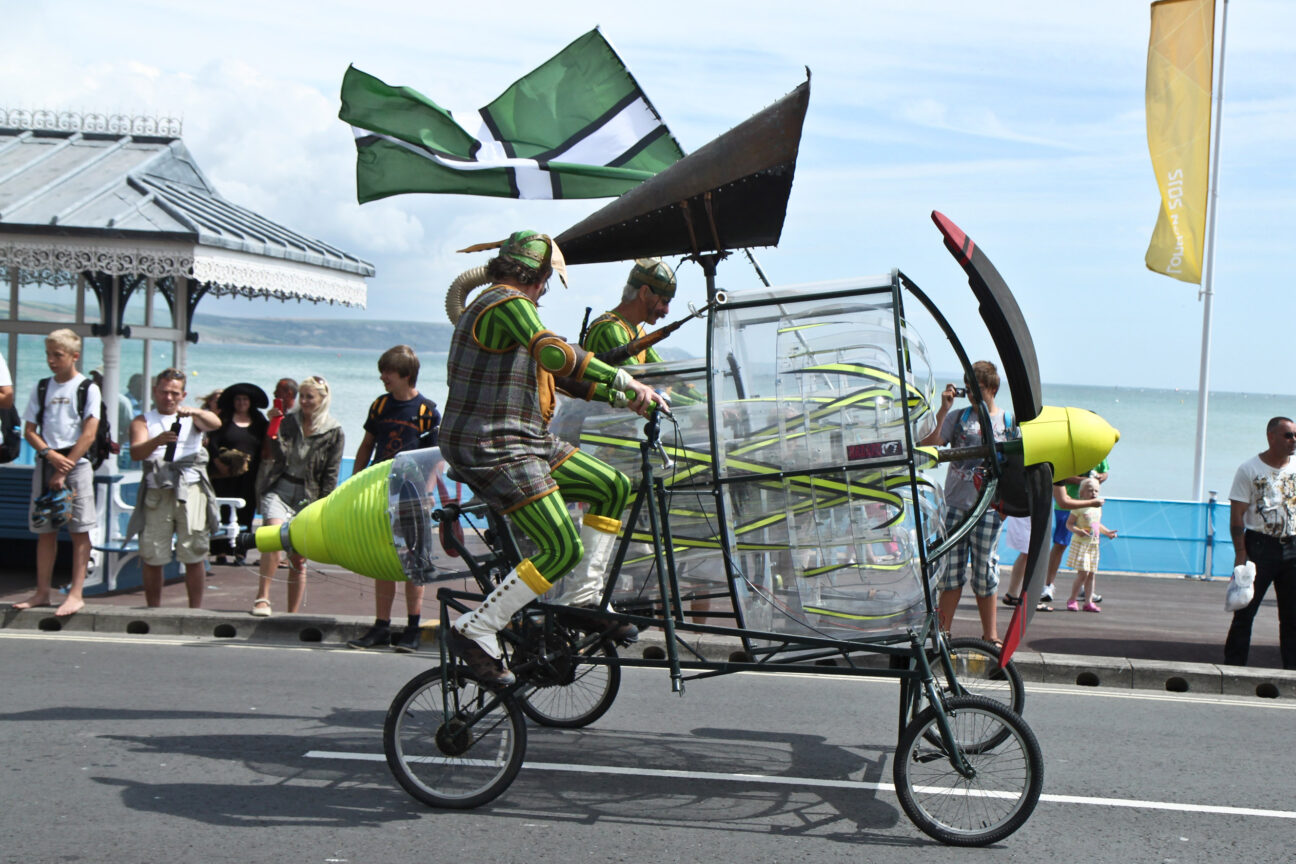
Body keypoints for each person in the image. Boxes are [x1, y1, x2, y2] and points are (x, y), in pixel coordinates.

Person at [439, 230, 667, 684]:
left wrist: (627, 399)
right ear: (540, 277)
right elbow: (553, 352)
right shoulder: (505, 303)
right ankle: (476, 628)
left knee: (613, 486)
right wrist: (627, 381)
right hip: (493, 443)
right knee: (562, 545)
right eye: (546, 282)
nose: (544, 293)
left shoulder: (505, 309)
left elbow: (563, 376)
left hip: (525, 438)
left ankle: (584, 600)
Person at [347, 345, 441, 653]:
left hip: (412, 494)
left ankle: (412, 628)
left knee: (413, 561)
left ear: (405, 374)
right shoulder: (380, 406)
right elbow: (366, 446)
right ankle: (381, 626)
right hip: (378, 491)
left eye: (388, 371)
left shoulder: (427, 411)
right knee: (381, 558)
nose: (382, 376)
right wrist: (352, 484)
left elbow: (436, 459)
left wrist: (427, 492)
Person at [921, 361, 1016, 645]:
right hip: (955, 505)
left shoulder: (1008, 423)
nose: (974, 394)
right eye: (970, 389)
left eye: (980, 389)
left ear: (993, 389)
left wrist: (1009, 505)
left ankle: (991, 636)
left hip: (989, 507)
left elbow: (1014, 467)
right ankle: (942, 634)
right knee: (950, 571)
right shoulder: (960, 417)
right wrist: (944, 408)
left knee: (985, 571)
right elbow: (930, 444)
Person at [13, 329, 100, 616]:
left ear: (74, 356)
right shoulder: (42, 387)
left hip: (77, 463)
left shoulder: (87, 388)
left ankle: (76, 593)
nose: (51, 360)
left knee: (79, 529)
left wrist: (66, 465)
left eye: (58, 355)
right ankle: (42, 591)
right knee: (45, 529)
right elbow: (29, 430)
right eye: (49, 355)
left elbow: (89, 433)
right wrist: (48, 454)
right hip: (47, 460)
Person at [125, 368, 222, 607]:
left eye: (174, 393)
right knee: (153, 553)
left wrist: (197, 411)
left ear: (183, 394)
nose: (168, 398)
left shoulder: (193, 418)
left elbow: (216, 423)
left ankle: (195, 610)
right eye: (164, 392)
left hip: (191, 488)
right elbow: (136, 452)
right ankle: (153, 608)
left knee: (194, 550)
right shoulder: (143, 420)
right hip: (158, 489)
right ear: (155, 392)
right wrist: (156, 441)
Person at [252, 375, 343, 616]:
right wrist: (273, 425)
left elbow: (331, 474)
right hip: (280, 487)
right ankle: (263, 597)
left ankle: (292, 613)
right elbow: (275, 454)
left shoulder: (333, 431)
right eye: (301, 396)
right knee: (273, 535)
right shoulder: (289, 422)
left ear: (322, 399)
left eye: (309, 397)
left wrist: (324, 508)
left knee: (298, 556)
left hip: (308, 495)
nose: (303, 401)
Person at [1224, 416, 1296, 669]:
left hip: (1292, 546)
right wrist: (1240, 553)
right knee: (1245, 611)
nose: (1293, 441)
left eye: (1295, 436)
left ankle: (1292, 672)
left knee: (1292, 617)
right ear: (1271, 437)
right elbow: (1237, 517)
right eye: (1288, 435)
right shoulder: (1249, 469)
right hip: (1259, 546)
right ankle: (1233, 668)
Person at [206, 382, 269, 566]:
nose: (241, 403)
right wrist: (218, 463)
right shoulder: (223, 420)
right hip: (224, 475)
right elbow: (213, 444)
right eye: (238, 399)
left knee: (246, 513)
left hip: (249, 476)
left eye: (245, 399)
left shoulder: (258, 421)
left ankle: (240, 551)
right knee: (222, 511)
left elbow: (267, 443)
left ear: (250, 402)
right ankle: (220, 551)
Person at [1040, 459, 1110, 603]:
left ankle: (1084, 588)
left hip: (1089, 506)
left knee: (1088, 546)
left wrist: (1100, 478)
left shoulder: (1099, 453)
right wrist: (1083, 480)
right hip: (1068, 503)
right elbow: (1061, 476)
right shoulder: (1072, 452)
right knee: (1060, 544)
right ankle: (1047, 585)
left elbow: (1105, 472)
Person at [582, 258, 676, 364]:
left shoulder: (638, 332)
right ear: (644, 293)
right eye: (664, 301)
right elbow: (635, 376)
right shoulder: (610, 329)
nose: (667, 310)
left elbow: (661, 370)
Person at [1064, 477, 1117, 612]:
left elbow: (1096, 524)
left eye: (1096, 491)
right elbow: (1069, 524)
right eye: (1090, 490)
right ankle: (1072, 599)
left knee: (1091, 574)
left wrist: (1108, 533)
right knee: (1083, 573)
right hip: (1081, 544)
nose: (1093, 493)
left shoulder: (1097, 508)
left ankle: (1088, 602)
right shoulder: (1079, 508)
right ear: (1082, 493)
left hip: (1093, 544)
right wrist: (1078, 531)